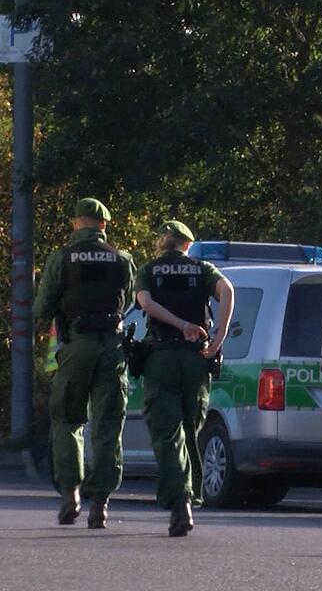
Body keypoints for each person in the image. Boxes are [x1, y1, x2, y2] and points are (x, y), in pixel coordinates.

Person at [33, 198, 136, 529]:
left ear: (76, 223)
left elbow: (41, 309)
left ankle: (71, 492)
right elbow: (129, 299)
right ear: (103, 225)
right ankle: (101, 504)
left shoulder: (62, 258)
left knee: (67, 419)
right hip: (112, 348)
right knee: (108, 425)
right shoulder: (122, 258)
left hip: (76, 345)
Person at [136, 220, 233, 537]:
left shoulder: (149, 270)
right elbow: (227, 290)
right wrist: (218, 338)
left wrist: (180, 325)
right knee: (191, 431)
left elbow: (145, 303)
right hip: (196, 360)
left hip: (162, 357)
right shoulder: (202, 269)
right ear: (188, 244)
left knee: (168, 434)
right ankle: (189, 498)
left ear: (162, 242)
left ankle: (180, 503)